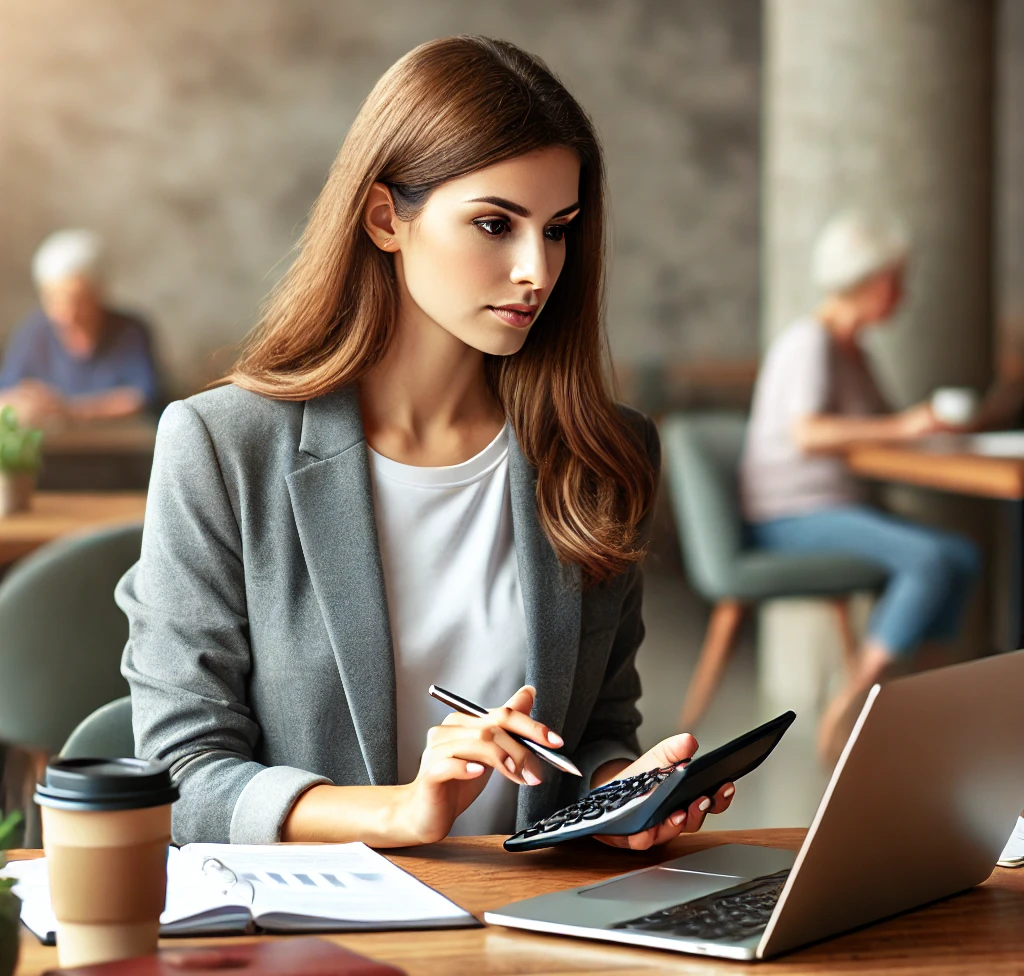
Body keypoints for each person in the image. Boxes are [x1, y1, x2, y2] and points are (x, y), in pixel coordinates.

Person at [115, 37, 735, 850]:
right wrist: (400, 811)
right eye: (494, 223)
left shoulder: (603, 454)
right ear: (385, 218)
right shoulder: (223, 448)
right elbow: (180, 776)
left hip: (533, 935)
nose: (536, 271)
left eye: (558, 230)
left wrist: (625, 800)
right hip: (309, 942)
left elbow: (596, 734)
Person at [740, 210, 981, 764]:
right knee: (929, 559)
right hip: (789, 515)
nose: (902, 291)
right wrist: (905, 426)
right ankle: (857, 696)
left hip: (837, 508)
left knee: (961, 554)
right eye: (897, 278)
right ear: (873, 282)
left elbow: (883, 429)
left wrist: (930, 427)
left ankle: (925, 699)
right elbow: (809, 432)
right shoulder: (809, 343)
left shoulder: (854, 353)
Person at [0, 229, 160, 425]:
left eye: (78, 301)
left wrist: (70, 409)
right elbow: (6, 396)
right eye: (53, 299)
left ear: (98, 293)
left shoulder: (130, 331)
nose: (66, 313)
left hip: (120, 448)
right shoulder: (33, 333)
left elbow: (143, 398)